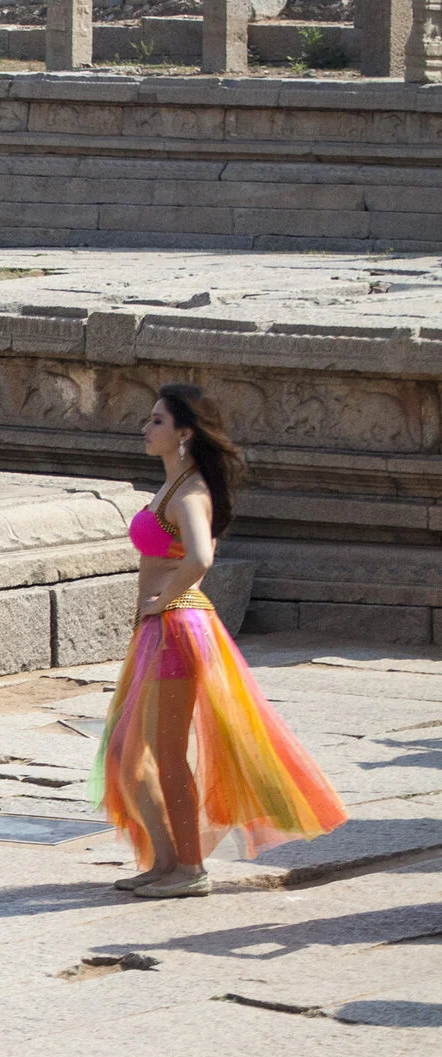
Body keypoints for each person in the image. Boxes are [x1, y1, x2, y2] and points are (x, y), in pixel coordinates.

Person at [92, 384, 347, 899]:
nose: (147, 428)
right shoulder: (171, 486)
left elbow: (202, 558)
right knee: (125, 753)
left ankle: (189, 870)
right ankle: (166, 862)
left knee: (163, 754)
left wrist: (163, 600)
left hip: (178, 629)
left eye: (158, 421)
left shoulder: (191, 493)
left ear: (185, 433)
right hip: (159, 631)